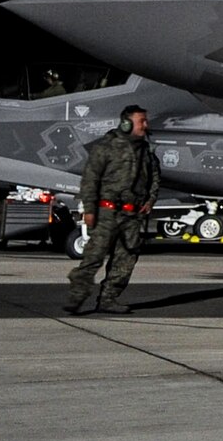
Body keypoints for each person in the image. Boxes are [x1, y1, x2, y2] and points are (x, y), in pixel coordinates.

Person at [64, 104, 161, 315]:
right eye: (141, 121)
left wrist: (150, 199)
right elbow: (91, 178)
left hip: (133, 215)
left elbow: (154, 176)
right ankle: (77, 295)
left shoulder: (145, 150)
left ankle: (108, 299)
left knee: (125, 260)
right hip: (107, 213)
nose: (146, 125)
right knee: (93, 257)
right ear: (126, 123)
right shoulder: (106, 147)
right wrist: (89, 209)